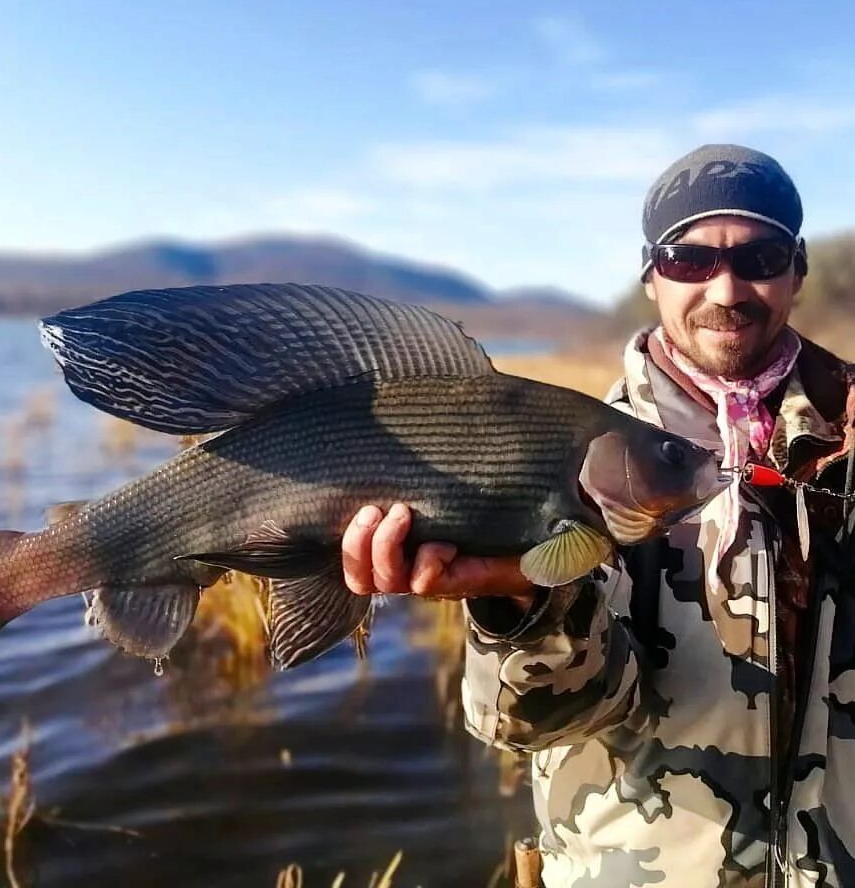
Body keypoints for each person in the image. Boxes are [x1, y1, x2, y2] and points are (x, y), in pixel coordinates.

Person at [341, 144, 855, 887]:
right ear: (650, 274)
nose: (726, 287)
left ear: (797, 269)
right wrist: (520, 603)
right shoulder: (574, 458)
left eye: (761, 255)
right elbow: (531, 724)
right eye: (687, 259)